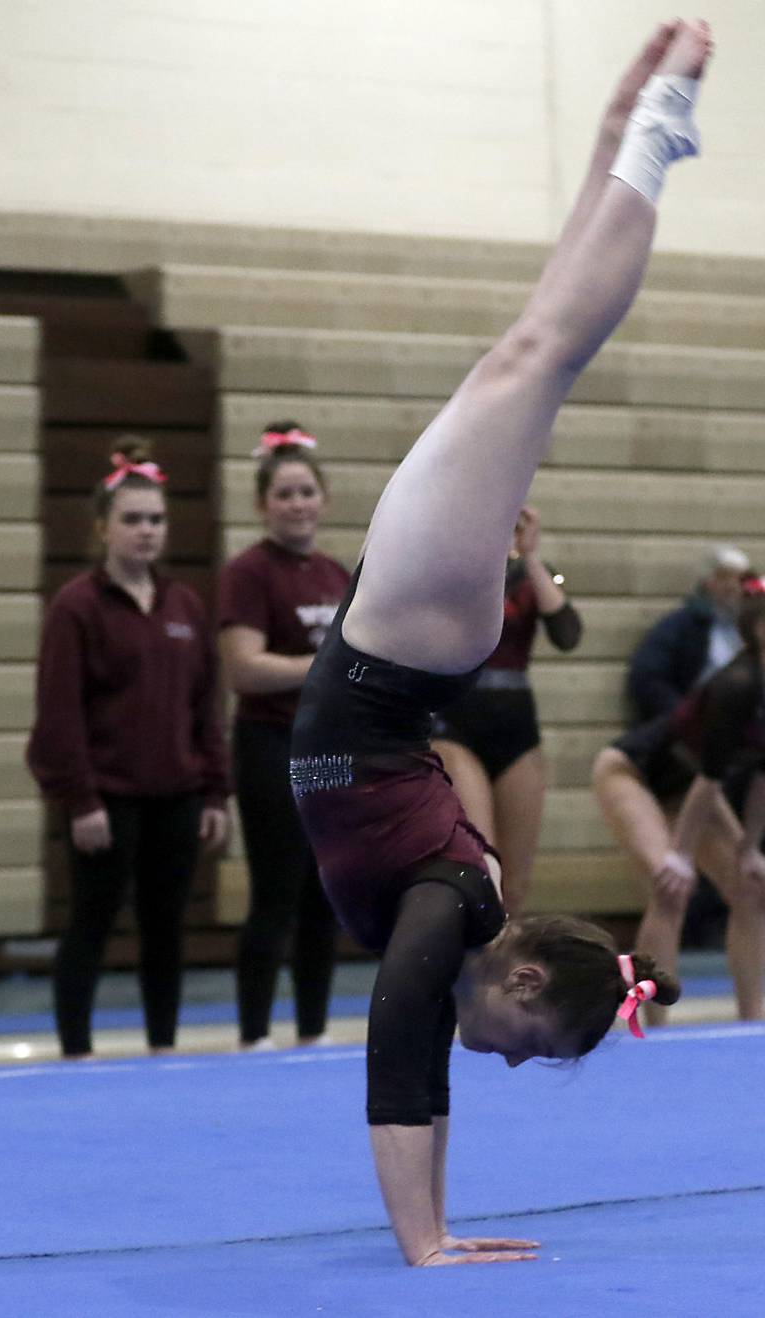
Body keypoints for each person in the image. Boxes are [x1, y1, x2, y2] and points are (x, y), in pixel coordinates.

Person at [289, 19, 710, 1267]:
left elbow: (417, 1052)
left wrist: (430, 1231)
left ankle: (624, 137)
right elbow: (400, 1040)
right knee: (537, 359)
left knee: (530, 353)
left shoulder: (455, 916)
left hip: (401, 647)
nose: (504, 1066)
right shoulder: (454, 909)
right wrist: (422, 1240)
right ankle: (643, 144)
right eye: (528, 1050)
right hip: (402, 648)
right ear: (521, 984)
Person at [27, 438, 229, 1059]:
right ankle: (75, 1051)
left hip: (176, 796)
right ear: (103, 529)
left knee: (165, 930)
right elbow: (59, 713)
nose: (147, 531)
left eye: (157, 519)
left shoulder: (184, 607)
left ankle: (163, 1047)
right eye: (133, 519)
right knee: (90, 924)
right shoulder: (77, 607)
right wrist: (80, 799)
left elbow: (205, 708)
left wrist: (216, 790)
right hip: (105, 800)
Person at [218, 424, 349, 1049]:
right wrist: (316, 667)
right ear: (262, 504)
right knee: (275, 890)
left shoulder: (333, 572)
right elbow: (244, 666)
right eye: (284, 494)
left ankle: (313, 1029)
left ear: (323, 498)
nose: (297, 504)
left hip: (326, 749)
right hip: (271, 744)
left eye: (306, 492)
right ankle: (253, 1032)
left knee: (327, 889)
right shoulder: (249, 572)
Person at [593, 587, 765, 1026]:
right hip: (633, 771)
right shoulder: (737, 684)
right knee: (671, 885)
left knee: (751, 887)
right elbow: (710, 780)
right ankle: (653, 1024)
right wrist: (681, 856)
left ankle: (752, 1019)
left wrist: (750, 848)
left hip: (688, 785)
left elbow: (762, 777)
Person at [432, 505, 582, 915]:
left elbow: (568, 633)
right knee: (482, 870)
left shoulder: (531, 575)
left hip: (517, 731)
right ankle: (467, 972)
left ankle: (502, 978)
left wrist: (530, 556)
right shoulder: (449, 571)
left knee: (515, 885)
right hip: (457, 727)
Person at [627, 542, 750, 723]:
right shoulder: (681, 625)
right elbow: (647, 677)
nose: (731, 586)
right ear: (707, 581)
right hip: (698, 723)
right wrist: (684, 716)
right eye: (723, 577)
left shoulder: (750, 625)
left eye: (739, 579)